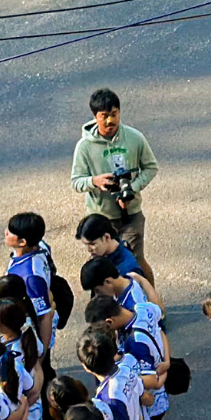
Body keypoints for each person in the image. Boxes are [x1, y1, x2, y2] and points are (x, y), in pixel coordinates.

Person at [71, 88, 160, 280]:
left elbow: (151, 167)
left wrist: (132, 188)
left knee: (134, 261)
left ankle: (149, 297)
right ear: (95, 116)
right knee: (103, 265)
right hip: (101, 217)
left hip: (131, 213)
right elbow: (76, 181)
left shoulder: (135, 138)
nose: (110, 121)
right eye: (104, 116)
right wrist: (94, 181)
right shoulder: (84, 147)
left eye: (114, 114)